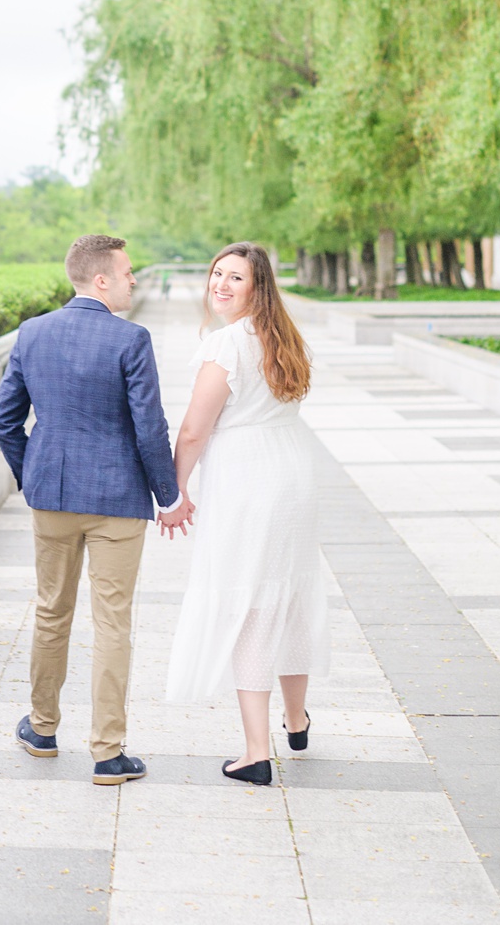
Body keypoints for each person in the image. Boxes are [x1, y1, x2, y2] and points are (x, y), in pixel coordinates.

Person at [0, 233, 187, 786]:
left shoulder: (33, 333)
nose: (133, 280)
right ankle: (107, 752)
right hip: (119, 501)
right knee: (112, 623)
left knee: (52, 611)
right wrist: (167, 496)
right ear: (100, 278)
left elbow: (5, 421)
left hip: (51, 497)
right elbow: (150, 426)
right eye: (126, 272)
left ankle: (44, 728)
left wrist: (33, 475)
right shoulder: (131, 339)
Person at [162, 242, 330, 786]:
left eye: (235, 278)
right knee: (291, 589)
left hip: (249, 479)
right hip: (294, 470)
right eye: (216, 274)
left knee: (251, 601)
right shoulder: (284, 336)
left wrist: (174, 489)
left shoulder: (228, 344)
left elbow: (193, 429)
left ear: (258, 287)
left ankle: (258, 752)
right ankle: (296, 721)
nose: (220, 285)